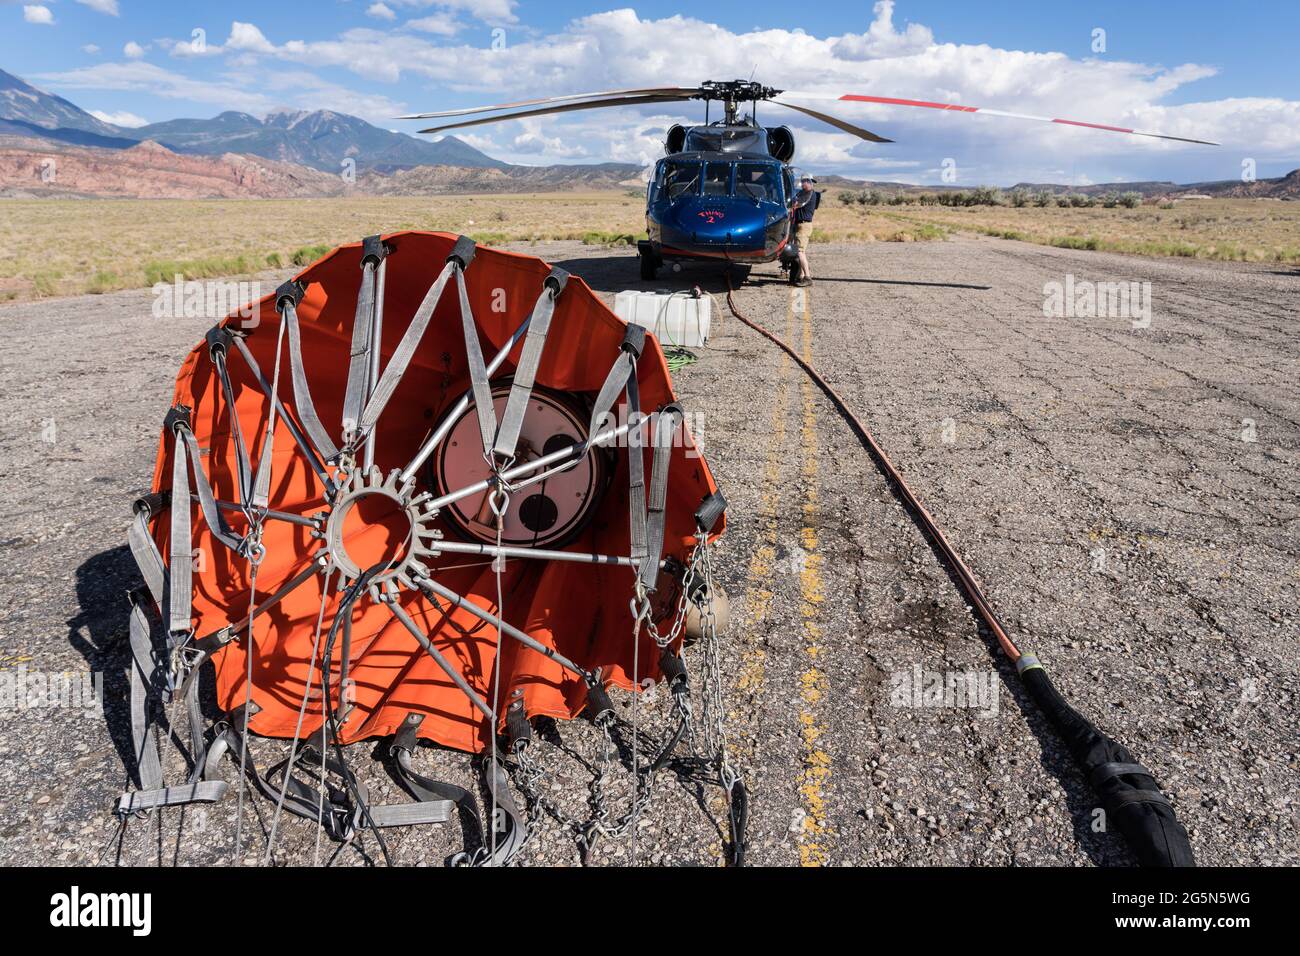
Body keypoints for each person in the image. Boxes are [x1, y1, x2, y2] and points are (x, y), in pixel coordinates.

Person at [791, 175, 820, 287]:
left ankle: (807, 277)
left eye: (809, 181)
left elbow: (795, 204)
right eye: (805, 181)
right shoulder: (803, 194)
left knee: (800, 252)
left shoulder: (809, 195)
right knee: (801, 252)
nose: (807, 183)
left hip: (804, 225)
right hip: (800, 224)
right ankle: (801, 276)